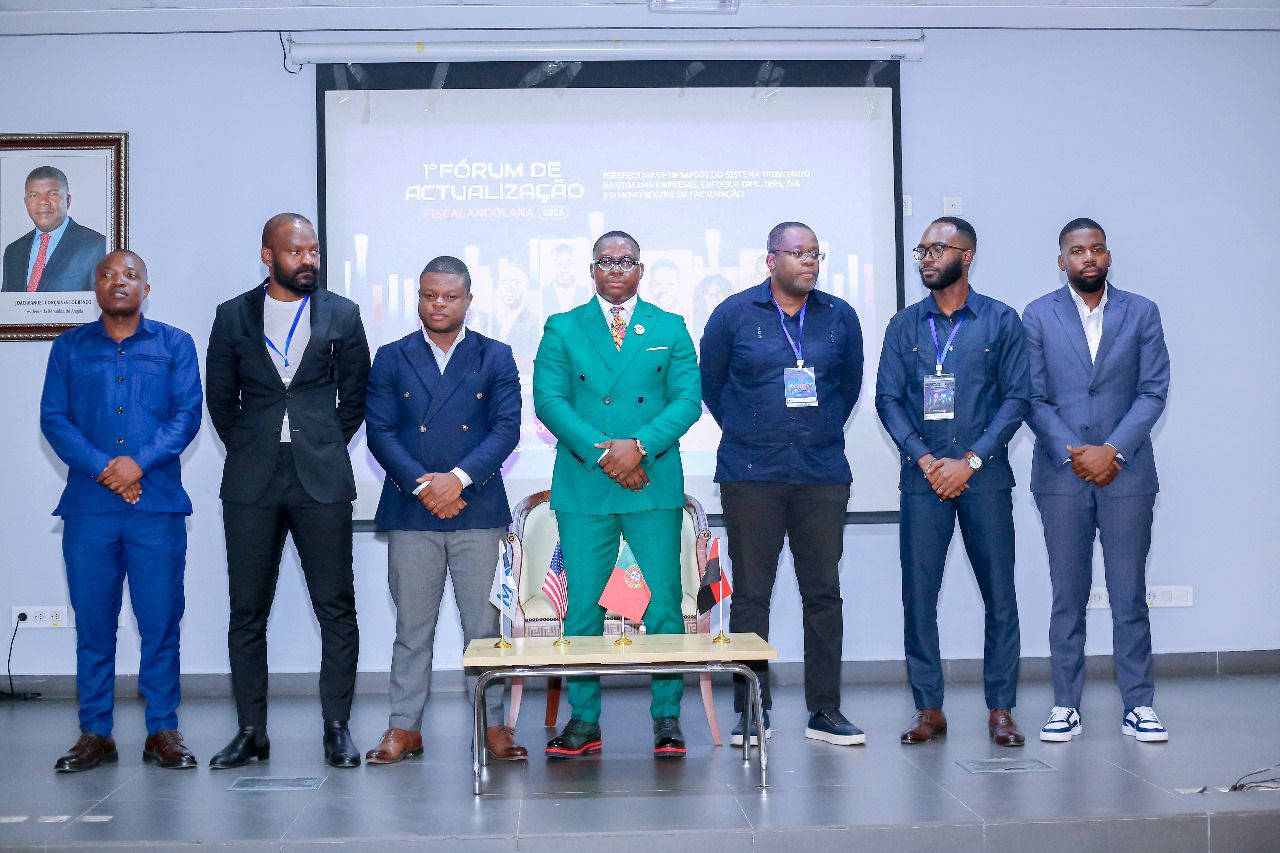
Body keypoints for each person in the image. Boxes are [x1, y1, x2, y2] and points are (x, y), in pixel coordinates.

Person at [205, 213, 370, 769]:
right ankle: (251, 731)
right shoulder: (232, 315)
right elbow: (220, 399)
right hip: (252, 479)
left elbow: (356, 397)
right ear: (268, 255)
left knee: (336, 607)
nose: (308, 260)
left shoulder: (342, 313)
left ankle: (337, 727)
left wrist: (320, 441)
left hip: (321, 477)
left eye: (313, 251)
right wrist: (252, 445)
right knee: (247, 611)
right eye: (296, 252)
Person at [533, 230, 701, 758]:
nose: (615, 269)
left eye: (625, 261)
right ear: (592, 270)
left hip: (652, 482)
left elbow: (688, 401)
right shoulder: (562, 327)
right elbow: (549, 401)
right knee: (581, 607)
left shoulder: (670, 327)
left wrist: (639, 448)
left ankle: (667, 717)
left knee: (664, 606)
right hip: (587, 485)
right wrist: (608, 456)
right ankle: (584, 720)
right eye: (605, 261)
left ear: (640, 270)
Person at [700, 222, 865, 747]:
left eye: (815, 253)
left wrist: (818, 429)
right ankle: (753, 710)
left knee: (824, 594)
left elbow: (848, 386)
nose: (809, 262)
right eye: (798, 253)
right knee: (752, 594)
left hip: (821, 472)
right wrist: (752, 429)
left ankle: (825, 710)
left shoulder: (840, 317)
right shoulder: (733, 314)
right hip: (752, 474)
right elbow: (712, 386)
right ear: (771, 260)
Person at [39, 250, 202, 771]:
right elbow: (54, 419)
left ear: (145, 289)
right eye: (107, 274)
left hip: (156, 508)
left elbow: (186, 416)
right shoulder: (69, 347)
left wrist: (138, 465)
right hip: (90, 509)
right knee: (94, 624)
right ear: (95, 288)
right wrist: (106, 469)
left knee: (160, 622)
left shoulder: (175, 344)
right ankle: (95, 733)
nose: (118, 281)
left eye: (130, 275)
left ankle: (163, 730)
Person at [362, 255, 527, 764]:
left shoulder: (495, 355)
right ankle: (403, 727)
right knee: (412, 629)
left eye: (450, 296)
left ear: (468, 301)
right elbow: (379, 432)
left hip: (477, 508)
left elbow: (507, 429)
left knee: (485, 629)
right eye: (429, 295)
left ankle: (493, 726)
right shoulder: (392, 356)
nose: (439, 304)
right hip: (412, 511)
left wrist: (456, 480)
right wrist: (425, 486)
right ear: (418, 298)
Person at [874, 216, 1031, 747]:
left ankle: (1001, 709)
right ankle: (928, 708)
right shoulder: (904, 325)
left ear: (967, 256)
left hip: (985, 480)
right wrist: (925, 460)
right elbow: (888, 400)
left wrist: (972, 460)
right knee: (919, 597)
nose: (926, 258)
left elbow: (1017, 398)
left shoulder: (1001, 320)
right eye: (922, 250)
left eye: (937, 249)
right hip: (923, 481)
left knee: (1000, 596)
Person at [1023, 218, 1172, 743]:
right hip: (1062, 476)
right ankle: (1065, 704)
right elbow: (1032, 397)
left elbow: (1153, 391)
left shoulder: (1142, 312)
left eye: (1097, 249)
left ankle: (1140, 705)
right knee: (1068, 595)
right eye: (1077, 250)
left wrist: (1112, 451)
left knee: (1129, 594)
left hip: (1126, 472)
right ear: (1061, 260)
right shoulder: (1037, 315)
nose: (1088, 257)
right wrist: (1077, 455)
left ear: (1108, 256)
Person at [3, 165, 108, 293]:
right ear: (26, 202)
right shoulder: (13, 251)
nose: (43, 202)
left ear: (67, 200)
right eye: (34, 195)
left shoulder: (96, 246)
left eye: (52, 194)